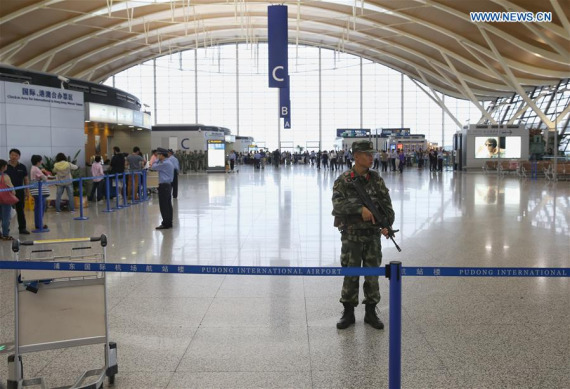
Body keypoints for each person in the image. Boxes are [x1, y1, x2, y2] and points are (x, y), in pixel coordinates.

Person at [332, 140, 395, 330]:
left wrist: (386, 225)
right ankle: (348, 312)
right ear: (356, 156)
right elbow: (337, 206)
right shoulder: (344, 180)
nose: (371, 158)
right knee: (351, 275)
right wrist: (360, 209)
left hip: (372, 237)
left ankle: (370, 312)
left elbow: (388, 208)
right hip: (351, 237)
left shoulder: (376, 180)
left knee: (372, 275)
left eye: (372, 154)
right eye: (367, 154)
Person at [6, 149, 30, 234]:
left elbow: (26, 179)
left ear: (19, 156)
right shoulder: (4, 166)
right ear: (9, 155)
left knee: (20, 210)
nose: (14, 157)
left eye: (16, 155)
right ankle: (5, 230)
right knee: (5, 211)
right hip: (7, 193)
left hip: (19, 191)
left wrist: (27, 191)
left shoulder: (22, 166)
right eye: (12, 155)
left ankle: (22, 228)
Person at [150, 148, 174, 230]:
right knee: (167, 205)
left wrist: (156, 160)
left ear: (162, 155)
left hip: (164, 186)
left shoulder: (165, 164)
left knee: (164, 206)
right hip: (167, 186)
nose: (157, 156)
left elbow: (153, 167)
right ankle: (168, 222)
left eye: (158, 155)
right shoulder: (167, 162)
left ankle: (166, 223)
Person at [29, 155, 50, 230]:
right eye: (41, 160)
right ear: (38, 161)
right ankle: (39, 225)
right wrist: (46, 174)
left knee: (38, 207)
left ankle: (38, 224)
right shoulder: (36, 169)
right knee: (40, 207)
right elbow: (44, 178)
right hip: (39, 191)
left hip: (35, 190)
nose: (42, 162)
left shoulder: (33, 168)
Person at [0, 159, 15, 240]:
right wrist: (13, 194)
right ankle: (5, 234)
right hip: (5, 200)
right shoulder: (5, 176)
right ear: (3, 167)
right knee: (6, 217)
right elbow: (11, 188)